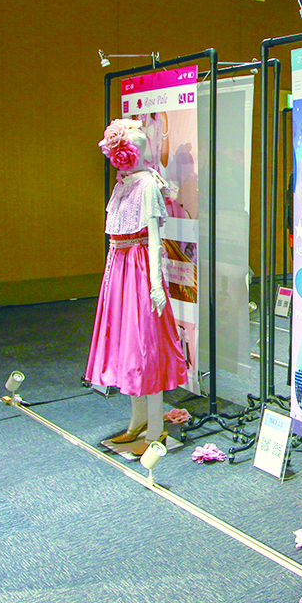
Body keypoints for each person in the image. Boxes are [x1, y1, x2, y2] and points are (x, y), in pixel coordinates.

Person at [90, 118, 189, 453]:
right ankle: (139, 421)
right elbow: (117, 235)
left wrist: (157, 285)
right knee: (127, 345)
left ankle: (156, 427)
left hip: (138, 270)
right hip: (120, 269)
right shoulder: (123, 184)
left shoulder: (147, 185)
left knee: (147, 344)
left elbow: (155, 239)